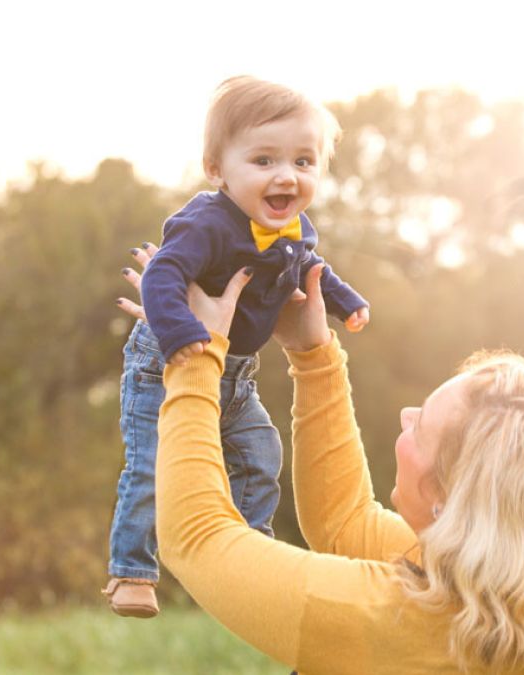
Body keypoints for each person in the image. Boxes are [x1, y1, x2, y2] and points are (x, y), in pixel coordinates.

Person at [113, 243, 524, 673]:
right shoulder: (502, 600)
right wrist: (313, 356)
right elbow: (344, 523)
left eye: (420, 427)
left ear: (446, 501)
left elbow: (196, 537)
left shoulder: (383, 618)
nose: (407, 416)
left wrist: (194, 352)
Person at [103, 76, 370, 618]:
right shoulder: (205, 224)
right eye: (264, 160)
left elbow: (311, 265)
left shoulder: (295, 227)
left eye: (303, 161)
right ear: (216, 169)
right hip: (167, 358)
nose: (286, 175)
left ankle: (245, 556)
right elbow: (161, 278)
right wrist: (181, 336)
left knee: (260, 454)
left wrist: (344, 302)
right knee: (151, 464)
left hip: (238, 371)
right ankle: (132, 571)